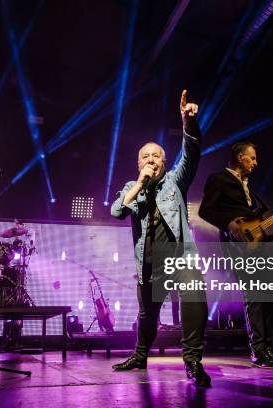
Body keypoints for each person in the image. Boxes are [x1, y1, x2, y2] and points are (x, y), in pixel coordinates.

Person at [110, 90, 210, 387]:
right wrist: (139, 184)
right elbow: (117, 211)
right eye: (145, 156)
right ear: (138, 163)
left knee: (195, 301)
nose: (151, 159)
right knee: (147, 317)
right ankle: (140, 356)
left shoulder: (175, 180)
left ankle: (192, 361)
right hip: (150, 264)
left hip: (182, 257)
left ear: (165, 162)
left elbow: (191, 155)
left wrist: (187, 124)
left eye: (156, 155)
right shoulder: (132, 186)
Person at [198, 141, 273, 369]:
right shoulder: (218, 178)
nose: (256, 162)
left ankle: (268, 350)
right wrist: (229, 223)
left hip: (259, 246)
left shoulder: (249, 185)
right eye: (252, 158)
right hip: (237, 247)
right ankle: (259, 352)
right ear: (240, 157)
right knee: (256, 296)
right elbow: (205, 210)